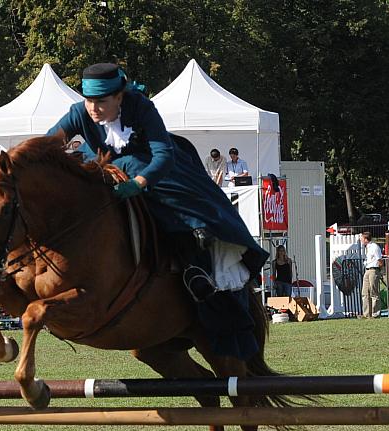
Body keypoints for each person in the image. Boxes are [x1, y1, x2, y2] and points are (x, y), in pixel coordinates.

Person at [47, 62, 269, 360]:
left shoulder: (141, 107)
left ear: (120, 97)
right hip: (107, 167)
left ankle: (196, 267)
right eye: (89, 101)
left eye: (101, 101)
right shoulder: (78, 113)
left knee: (181, 212)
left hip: (157, 170)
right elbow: (46, 144)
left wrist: (139, 184)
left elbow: (162, 155)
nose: (94, 109)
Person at [361, 231, 383, 318]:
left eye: (362, 239)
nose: (361, 241)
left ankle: (375, 313)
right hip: (367, 270)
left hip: (373, 270)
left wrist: (378, 271)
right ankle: (366, 314)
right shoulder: (368, 247)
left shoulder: (374, 247)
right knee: (365, 292)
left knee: (374, 292)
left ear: (366, 239)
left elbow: (380, 260)